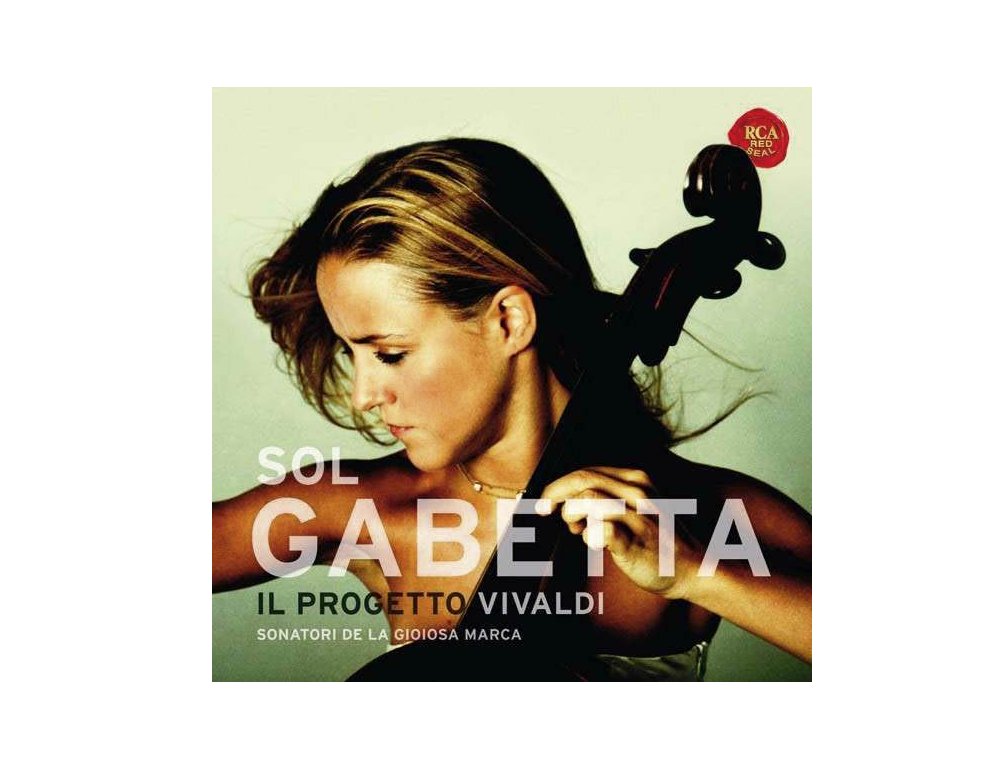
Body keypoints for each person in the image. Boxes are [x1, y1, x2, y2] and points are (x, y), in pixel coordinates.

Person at [212, 137, 811, 680]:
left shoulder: (707, 518)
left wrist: (697, 573)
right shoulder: (364, 512)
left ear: (509, 320)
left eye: (390, 354)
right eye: (354, 353)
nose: (362, 395)